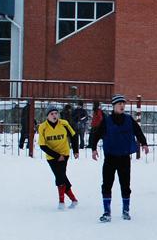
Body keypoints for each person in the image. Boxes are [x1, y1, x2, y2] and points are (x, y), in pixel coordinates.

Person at [90, 94, 149, 222]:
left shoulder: (129, 119)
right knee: (107, 184)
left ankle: (126, 210)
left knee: (125, 185)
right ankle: (106, 212)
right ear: (114, 106)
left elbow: (138, 131)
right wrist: (93, 149)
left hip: (124, 158)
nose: (122, 106)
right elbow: (96, 134)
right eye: (119, 104)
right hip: (110, 157)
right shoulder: (106, 121)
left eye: (123, 104)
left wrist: (144, 143)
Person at [38, 105, 79, 210]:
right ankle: (74, 200)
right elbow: (42, 145)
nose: (54, 116)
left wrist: (75, 150)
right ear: (47, 116)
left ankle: (62, 202)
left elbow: (74, 136)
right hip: (52, 156)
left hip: (64, 153)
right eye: (52, 114)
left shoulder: (64, 123)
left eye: (56, 113)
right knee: (60, 176)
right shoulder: (43, 127)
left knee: (60, 176)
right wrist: (56, 156)